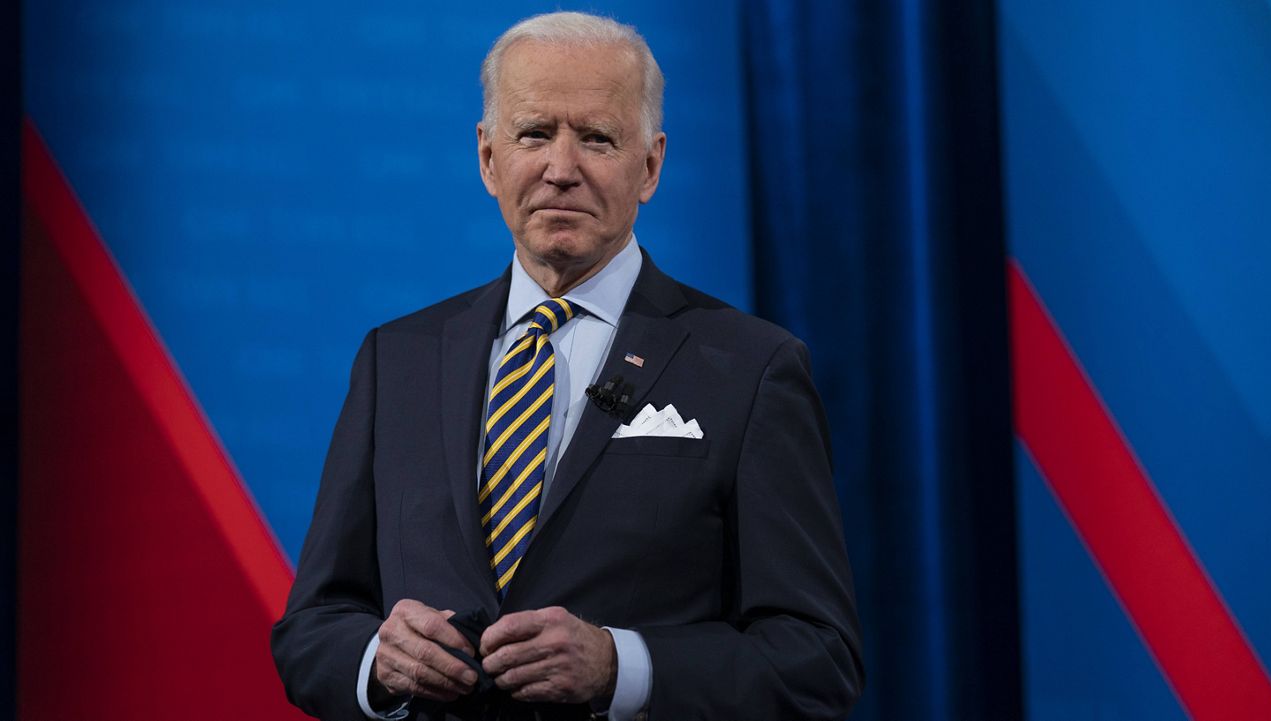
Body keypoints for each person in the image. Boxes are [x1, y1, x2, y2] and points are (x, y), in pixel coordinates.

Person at [271, 11, 863, 721]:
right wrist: (376, 659)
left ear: (649, 165)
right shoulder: (395, 359)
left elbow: (817, 658)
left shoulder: (751, 368)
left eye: (596, 138)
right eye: (534, 134)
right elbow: (312, 627)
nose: (561, 168)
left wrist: (622, 665)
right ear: (488, 159)